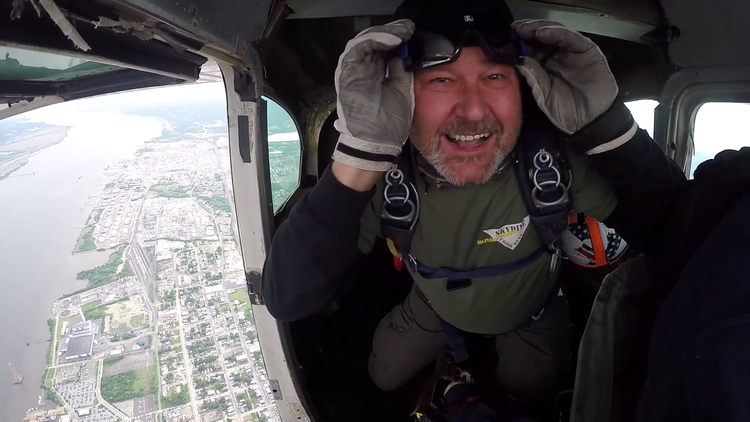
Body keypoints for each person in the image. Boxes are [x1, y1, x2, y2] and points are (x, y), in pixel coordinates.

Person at [262, 0, 687, 404]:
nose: (472, 110)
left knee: (532, 391)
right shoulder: (389, 176)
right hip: (434, 304)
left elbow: (678, 235)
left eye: (495, 77)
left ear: (523, 89)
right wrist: (359, 157)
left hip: (532, 309)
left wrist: (611, 130)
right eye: (441, 79)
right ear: (403, 94)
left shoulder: (549, 164)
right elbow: (287, 297)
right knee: (381, 376)